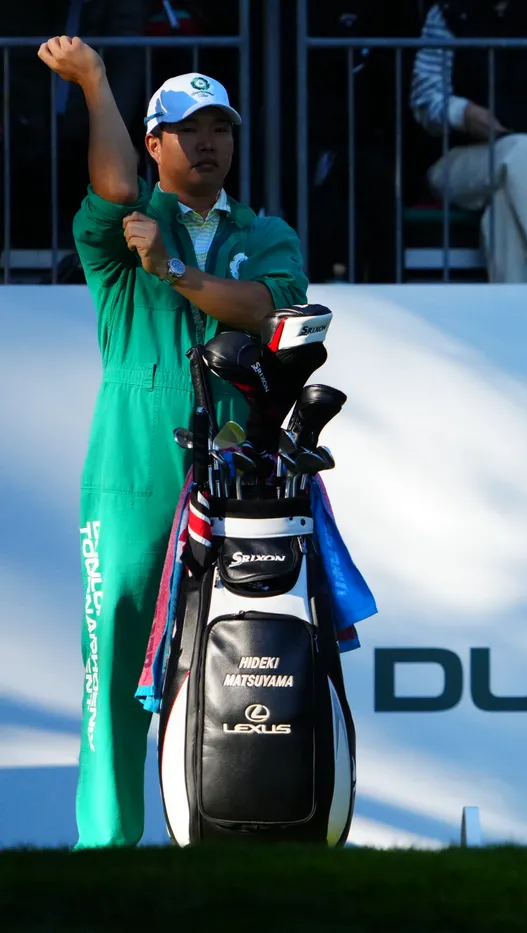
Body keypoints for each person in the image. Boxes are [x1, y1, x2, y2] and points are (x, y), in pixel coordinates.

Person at [38, 35, 308, 848]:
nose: (209, 142)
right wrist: (95, 81)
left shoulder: (268, 232)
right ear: (153, 144)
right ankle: (107, 847)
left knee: (237, 654)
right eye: (188, 130)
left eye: (220, 127)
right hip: (131, 470)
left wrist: (177, 274)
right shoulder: (124, 220)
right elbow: (115, 184)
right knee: (116, 659)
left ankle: (228, 834)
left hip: (238, 473)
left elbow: (268, 310)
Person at [409, 0, 527, 283]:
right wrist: (462, 114)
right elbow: (424, 98)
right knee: (523, 149)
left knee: (506, 206)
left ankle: (523, 306)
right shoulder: (449, 13)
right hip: (460, 162)